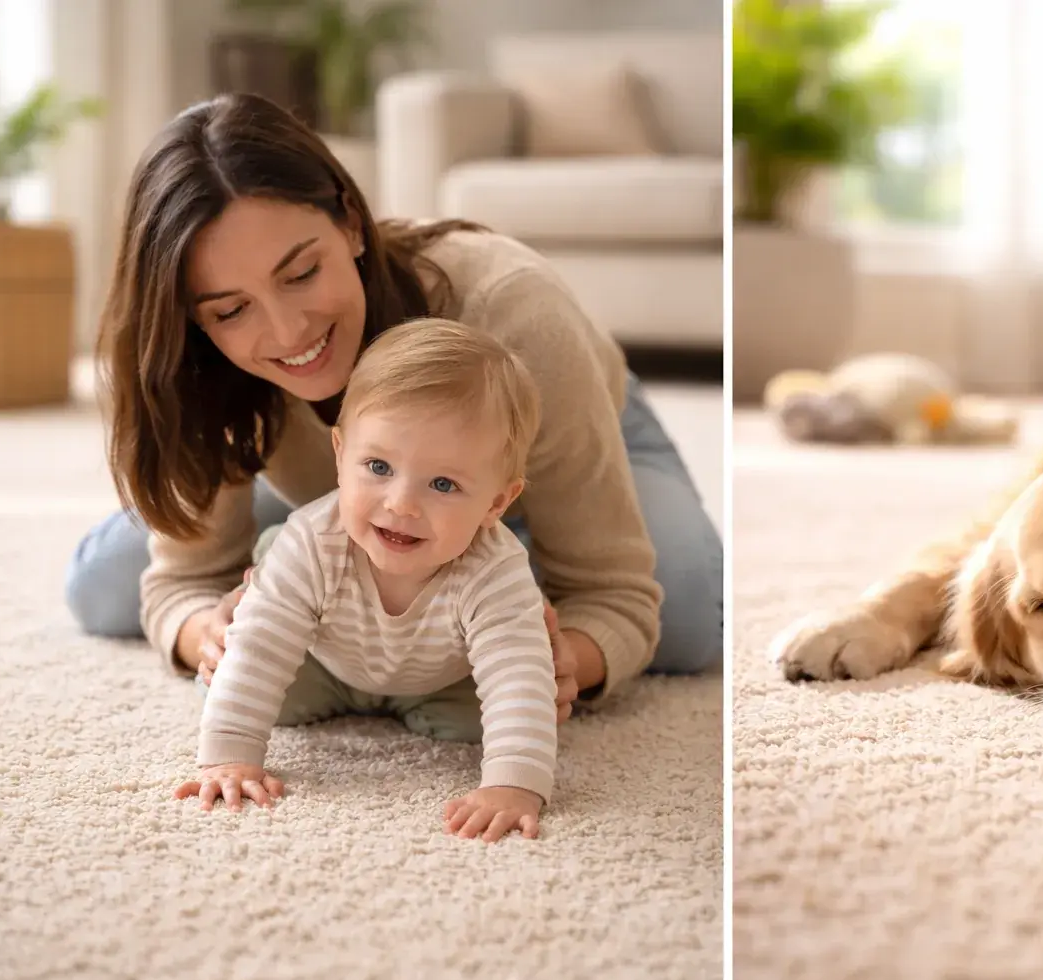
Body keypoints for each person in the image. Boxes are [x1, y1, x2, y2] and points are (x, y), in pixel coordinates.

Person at [68, 92, 721, 714]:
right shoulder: (206, 366)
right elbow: (183, 583)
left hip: (569, 424)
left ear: (351, 222)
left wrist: (561, 659)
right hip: (347, 494)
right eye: (231, 309)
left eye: (300, 274)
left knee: (684, 614)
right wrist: (204, 634)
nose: (289, 333)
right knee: (105, 590)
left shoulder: (514, 314)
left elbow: (613, 592)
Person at [177, 319, 558, 843]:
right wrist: (229, 756)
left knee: (504, 712)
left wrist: (514, 786)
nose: (400, 503)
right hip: (323, 655)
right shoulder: (316, 540)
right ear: (339, 455)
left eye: (443, 483)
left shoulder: (495, 570)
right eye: (378, 466)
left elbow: (516, 675)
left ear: (496, 502)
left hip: (437, 675)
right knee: (245, 676)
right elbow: (263, 649)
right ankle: (260, 585)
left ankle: (412, 705)